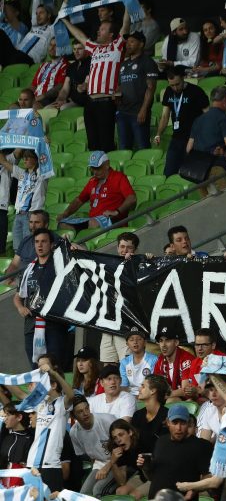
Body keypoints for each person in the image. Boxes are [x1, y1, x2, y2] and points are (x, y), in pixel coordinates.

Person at [60, 3, 132, 151]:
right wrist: (64, 20)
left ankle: (108, 173)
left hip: (106, 102)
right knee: (93, 145)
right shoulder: (95, 48)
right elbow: (79, 36)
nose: (98, 31)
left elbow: (125, 26)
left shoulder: (117, 46)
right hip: (90, 103)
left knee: (106, 144)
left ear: (112, 34)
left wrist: (128, 6)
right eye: (99, 29)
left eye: (103, 29)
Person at [15, 229, 70, 370]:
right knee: (35, 369)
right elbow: (18, 296)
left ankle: (56, 392)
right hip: (31, 326)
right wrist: (20, 308)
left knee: (54, 369)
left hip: (54, 325)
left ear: (52, 244)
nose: (40, 245)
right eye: (37, 242)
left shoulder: (60, 265)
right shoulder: (28, 269)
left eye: (44, 241)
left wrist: (71, 247)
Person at [140, 404, 214, 497]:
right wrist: (145, 466)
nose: (179, 428)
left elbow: (208, 477)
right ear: (168, 422)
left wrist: (194, 489)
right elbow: (153, 478)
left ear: (188, 423)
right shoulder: (161, 441)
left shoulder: (200, 445)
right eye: (175, 423)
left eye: (183, 423)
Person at [26, 355, 75, 491]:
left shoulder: (61, 404)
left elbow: (71, 395)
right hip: (32, 463)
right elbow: (20, 395)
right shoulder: (39, 404)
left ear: (53, 385)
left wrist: (53, 373)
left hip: (51, 466)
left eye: (43, 383)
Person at [56, 151, 136, 231]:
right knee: (62, 224)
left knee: (93, 223)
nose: (94, 172)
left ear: (107, 165)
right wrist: (65, 213)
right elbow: (79, 200)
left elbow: (132, 198)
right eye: (92, 168)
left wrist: (116, 212)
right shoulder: (92, 181)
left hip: (113, 221)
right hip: (93, 221)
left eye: (98, 168)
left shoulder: (119, 177)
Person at [155, 66, 210, 177]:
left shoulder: (196, 91)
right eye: (172, 85)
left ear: (183, 78)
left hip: (194, 139)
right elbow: (165, 116)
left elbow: (208, 115)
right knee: (169, 172)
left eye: (177, 84)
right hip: (176, 138)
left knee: (192, 173)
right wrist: (158, 134)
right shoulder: (168, 92)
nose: (175, 88)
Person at [116, 30, 158, 151]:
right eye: (127, 42)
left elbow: (151, 88)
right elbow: (120, 85)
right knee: (123, 148)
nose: (128, 44)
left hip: (138, 112)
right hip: (122, 112)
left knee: (143, 147)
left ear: (141, 44)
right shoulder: (123, 64)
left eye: (132, 41)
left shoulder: (148, 62)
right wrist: (116, 97)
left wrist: (144, 110)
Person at [0, 151, 47, 253]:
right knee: (18, 249)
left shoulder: (42, 174)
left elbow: (46, 160)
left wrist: (45, 145)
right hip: (18, 215)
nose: (24, 160)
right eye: (24, 157)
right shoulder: (21, 173)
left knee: (30, 248)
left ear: (36, 159)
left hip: (32, 215)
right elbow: (3, 161)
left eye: (28, 157)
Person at [70, 395, 117, 496]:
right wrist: (100, 467)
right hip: (100, 464)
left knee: (98, 490)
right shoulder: (74, 432)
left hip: (119, 462)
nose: (85, 413)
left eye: (86, 408)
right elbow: (89, 456)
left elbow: (124, 447)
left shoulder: (107, 420)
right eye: (80, 411)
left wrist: (108, 466)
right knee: (83, 494)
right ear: (73, 416)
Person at [152, 326, 196, 398]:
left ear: (176, 342)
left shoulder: (186, 359)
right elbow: (154, 384)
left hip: (187, 400)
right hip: (169, 396)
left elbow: (186, 391)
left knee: (170, 401)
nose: (163, 345)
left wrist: (164, 396)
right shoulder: (161, 359)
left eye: (167, 340)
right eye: (161, 341)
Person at [119, 325, 158, 396]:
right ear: (127, 344)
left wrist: (140, 396)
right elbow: (124, 385)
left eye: (139, 339)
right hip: (130, 397)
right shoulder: (124, 362)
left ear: (145, 342)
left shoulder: (154, 359)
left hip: (148, 395)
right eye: (131, 340)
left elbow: (153, 385)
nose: (135, 342)